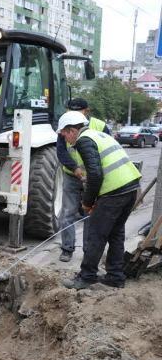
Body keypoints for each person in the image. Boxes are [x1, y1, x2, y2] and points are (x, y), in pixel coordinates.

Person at [56, 111, 141, 290]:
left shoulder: (83, 141)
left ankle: (86, 277)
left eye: (64, 133)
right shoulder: (98, 135)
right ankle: (115, 277)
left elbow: (95, 175)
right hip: (130, 187)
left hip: (115, 191)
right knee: (115, 234)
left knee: (95, 235)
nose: (64, 137)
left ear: (72, 130)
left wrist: (87, 202)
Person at [56, 98, 112, 262]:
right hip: (71, 176)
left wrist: (91, 174)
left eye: (77, 111)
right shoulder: (65, 126)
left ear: (86, 111)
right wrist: (75, 168)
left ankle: (89, 250)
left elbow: (106, 148)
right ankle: (67, 248)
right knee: (67, 213)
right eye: (70, 111)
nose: (72, 115)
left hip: (93, 178)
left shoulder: (100, 126)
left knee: (90, 213)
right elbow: (61, 151)